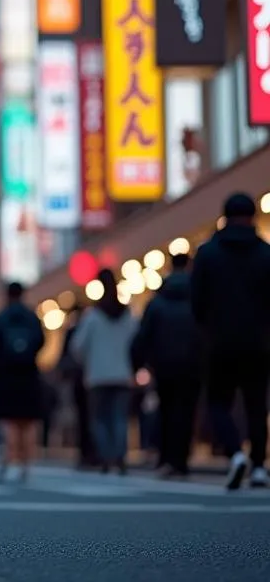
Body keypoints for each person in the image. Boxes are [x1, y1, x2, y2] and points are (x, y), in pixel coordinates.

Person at [191, 192, 270, 490]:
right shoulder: (265, 254)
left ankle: (236, 453)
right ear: (253, 216)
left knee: (217, 402)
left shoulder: (208, 254)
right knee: (256, 404)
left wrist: (206, 329)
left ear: (224, 217)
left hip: (219, 341)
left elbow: (197, 302)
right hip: (258, 341)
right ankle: (260, 466)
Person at [131, 252, 202, 477]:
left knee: (166, 410)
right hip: (193, 362)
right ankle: (181, 459)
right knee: (187, 411)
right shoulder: (199, 298)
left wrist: (139, 363)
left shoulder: (158, 302)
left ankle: (167, 458)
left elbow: (143, 336)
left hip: (164, 365)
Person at [70, 268, 137, 474]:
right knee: (119, 418)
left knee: (99, 419)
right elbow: (137, 342)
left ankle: (107, 456)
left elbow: (77, 346)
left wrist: (88, 362)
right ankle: (120, 456)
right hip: (122, 373)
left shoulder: (93, 316)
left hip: (98, 375)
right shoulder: (128, 316)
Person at [0, 283, 45, 483]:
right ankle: (26, 466)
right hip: (29, 374)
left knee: (9, 421)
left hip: (6, 375)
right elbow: (41, 341)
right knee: (27, 422)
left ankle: (8, 462)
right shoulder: (31, 317)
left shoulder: (1, 318)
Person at [59, 304, 96, 468]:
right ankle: (108, 454)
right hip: (97, 374)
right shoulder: (95, 323)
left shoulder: (75, 331)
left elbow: (71, 351)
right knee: (101, 416)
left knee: (85, 417)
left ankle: (89, 453)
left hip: (85, 376)